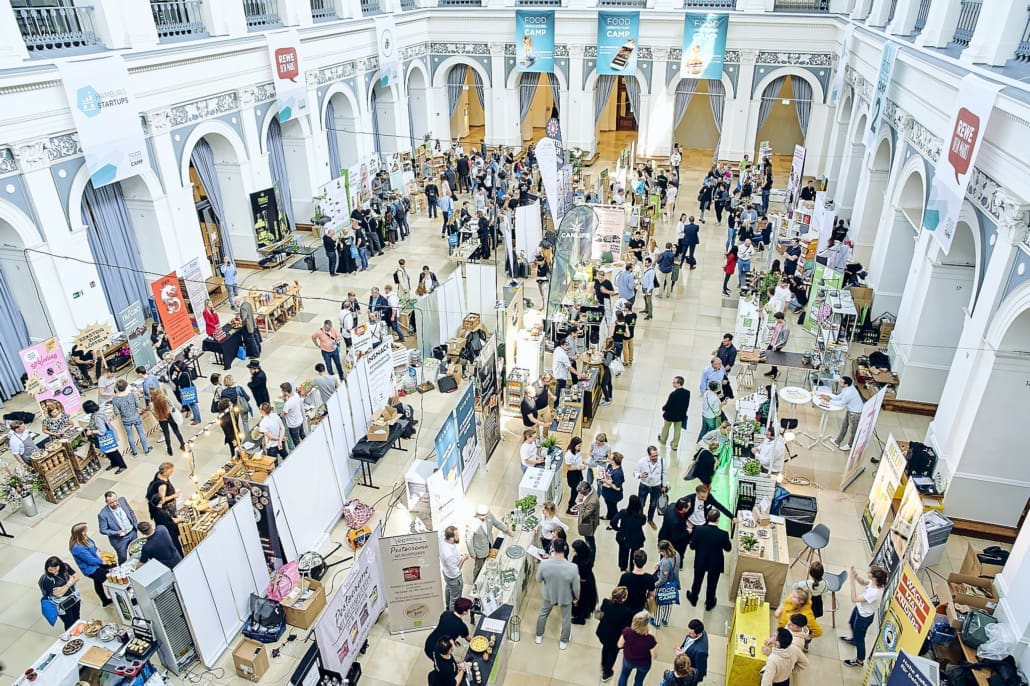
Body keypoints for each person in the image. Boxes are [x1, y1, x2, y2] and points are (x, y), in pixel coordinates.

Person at [534, 539, 580, 650]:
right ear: (565, 548)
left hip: (549, 593)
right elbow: (576, 587)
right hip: (565, 596)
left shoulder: (544, 564)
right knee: (566, 619)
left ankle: (539, 636)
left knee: (543, 614)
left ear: (553, 549)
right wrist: (576, 597)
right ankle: (563, 641)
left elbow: (538, 579)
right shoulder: (572, 567)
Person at [842, 565, 888, 668]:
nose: (867, 573)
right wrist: (856, 576)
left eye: (869, 572)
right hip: (860, 610)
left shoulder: (875, 592)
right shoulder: (875, 582)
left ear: (874, 577)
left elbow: (854, 599)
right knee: (852, 624)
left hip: (864, 618)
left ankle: (859, 660)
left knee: (860, 639)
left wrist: (852, 582)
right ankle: (854, 639)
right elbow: (863, 582)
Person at [687, 509, 732, 611]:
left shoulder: (698, 530)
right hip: (715, 563)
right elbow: (728, 548)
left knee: (697, 580)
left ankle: (693, 598)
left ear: (707, 517)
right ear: (718, 520)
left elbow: (692, 546)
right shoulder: (723, 534)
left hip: (701, 560)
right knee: (712, 584)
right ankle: (709, 602)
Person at [69, 523, 113, 606]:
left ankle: (104, 601)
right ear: (82, 532)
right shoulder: (77, 548)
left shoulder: (84, 538)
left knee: (97, 582)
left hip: (96, 563)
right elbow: (90, 560)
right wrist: (102, 561)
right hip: (92, 570)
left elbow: (93, 547)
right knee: (109, 580)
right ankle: (111, 598)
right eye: (85, 529)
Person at [596, 587, 634, 682]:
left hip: (604, 632)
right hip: (616, 637)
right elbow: (627, 627)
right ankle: (607, 672)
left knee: (605, 648)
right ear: (624, 599)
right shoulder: (627, 612)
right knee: (613, 653)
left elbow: (601, 615)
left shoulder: (606, 602)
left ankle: (604, 664)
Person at [466, 504, 513, 579]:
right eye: (484, 515)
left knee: (489, 564)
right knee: (479, 569)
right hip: (479, 551)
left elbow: (496, 523)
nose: (487, 516)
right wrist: (472, 553)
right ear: (478, 515)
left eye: (487, 514)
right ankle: (476, 582)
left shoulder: (489, 515)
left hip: (489, 545)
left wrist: (506, 530)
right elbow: (469, 540)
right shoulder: (472, 524)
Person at [82, 400, 127, 474]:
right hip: (109, 435)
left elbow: (102, 431)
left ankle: (122, 466)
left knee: (113, 452)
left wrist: (92, 432)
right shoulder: (98, 412)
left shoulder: (97, 418)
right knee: (108, 452)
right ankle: (114, 463)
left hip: (106, 437)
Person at [39, 556, 81, 630]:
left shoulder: (65, 567)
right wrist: (69, 583)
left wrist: (63, 587)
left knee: (77, 618)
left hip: (74, 599)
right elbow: (58, 594)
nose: (53, 572)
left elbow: (77, 577)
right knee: (69, 623)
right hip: (62, 604)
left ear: (59, 565)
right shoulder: (47, 580)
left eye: (55, 569)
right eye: (50, 570)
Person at [617, 610, 658, 686]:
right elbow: (654, 656)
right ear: (646, 624)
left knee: (624, 676)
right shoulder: (650, 639)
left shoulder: (627, 631)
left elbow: (619, 645)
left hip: (628, 659)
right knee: (639, 681)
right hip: (644, 664)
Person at [111, 379, 151, 456]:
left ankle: (135, 452)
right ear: (126, 386)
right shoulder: (132, 395)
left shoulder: (115, 399)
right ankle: (146, 450)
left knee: (129, 435)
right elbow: (139, 405)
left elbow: (116, 412)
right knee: (141, 433)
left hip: (126, 419)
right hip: (136, 416)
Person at [824, 376, 864, 451]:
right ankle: (837, 441)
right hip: (850, 410)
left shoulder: (849, 393)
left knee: (853, 431)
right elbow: (839, 397)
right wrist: (830, 397)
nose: (839, 382)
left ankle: (850, 445)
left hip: (855, 413)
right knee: (844, 425)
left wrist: (829, 401)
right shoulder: (847, 388)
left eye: (841, 382)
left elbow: (841, 403)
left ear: (846, 384)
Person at [97, 491, 138, 564]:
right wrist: (117, 532)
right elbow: (103, 530)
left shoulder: (122, 500)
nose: (115, 504)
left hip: (132, 532)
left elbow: (131, 512)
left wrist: (135, 523)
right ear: (106, 502)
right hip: (119, 540)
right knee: (123, 558)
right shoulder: (103, 514)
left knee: (136, 552)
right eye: (111, 503)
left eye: (115, 501)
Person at [611, 495, 647, 574]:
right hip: (636, 537)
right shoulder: (641, 516)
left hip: (624, 536)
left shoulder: (623, 513)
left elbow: (613, 521)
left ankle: (623, 567)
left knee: (623, 551)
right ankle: (632, 567)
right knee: (634, 553)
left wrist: (618, 529)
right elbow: (643, 523)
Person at [634, 446, 668, 526]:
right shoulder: (642, 461)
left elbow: (664, 473)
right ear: (649, 455)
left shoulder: (662, 461)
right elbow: (635, 473)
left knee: (653, 504)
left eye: (656, 455)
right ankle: (640, 519)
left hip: (656, 486)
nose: (655, 457)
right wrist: (640, 475)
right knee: (641, 504)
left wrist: (664, 485)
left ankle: (650, 519)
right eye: (653, 456)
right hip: (644, 485)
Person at [652, 540, 681, 628]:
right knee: (669, 602)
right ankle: (665, 620)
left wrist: (653, 585)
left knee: (659, 603)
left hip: (664, 585)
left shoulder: (665, 561)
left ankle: (657, 622)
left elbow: (662, 580)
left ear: (664, 551)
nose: (659, 552)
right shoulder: (677, 554)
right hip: (673, 583)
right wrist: (659, 564)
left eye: (660, 551)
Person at [618, 550, 656, 614]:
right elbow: (651, 595)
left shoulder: (625, 577)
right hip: (640, 605)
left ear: (633, 561)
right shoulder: (650, 578)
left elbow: (619, 591)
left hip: (626, 605)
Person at [149, 388, 185, 456]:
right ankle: (182, 444)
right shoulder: (164, 398)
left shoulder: (151, 404)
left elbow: (154, 413)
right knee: (176, 431)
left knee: (166, 434)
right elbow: (171, 403)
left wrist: (158, 417)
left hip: (161, 419)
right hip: (169, 415)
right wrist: (169, 409)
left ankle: (169, 450)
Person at [658, 376, 690, 450]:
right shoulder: (687, 393)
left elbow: (668, 405)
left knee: (666, 428)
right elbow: (686, 404)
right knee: (677, 430)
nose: (673, 383)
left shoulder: (673, 394)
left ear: (679, 384)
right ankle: (674, 445)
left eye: (674, 382)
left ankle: (663, 440)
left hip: (670, 415)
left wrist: (664, 408)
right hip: (680, 415)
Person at [440, 526, 468, 612]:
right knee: (455, 599)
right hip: (454, 578)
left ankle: (448, 609)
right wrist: (463, 559)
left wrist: (459, 556)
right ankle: (452, 616)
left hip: (446, 573)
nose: (458, 537)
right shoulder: (449, 554)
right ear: (451, 539)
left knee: (449, 589)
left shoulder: (443, 540)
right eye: (457, 536)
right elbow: (455, 572)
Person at [571, 539, 598, 625]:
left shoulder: (578, 561)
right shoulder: (589, 555)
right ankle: (584, 614)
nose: (573, 551)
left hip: (582, 582)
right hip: (589, 580)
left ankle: (580, 619)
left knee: (581, 600)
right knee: (586, 600)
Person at [171, 359, 201, 425]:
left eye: (176, 367)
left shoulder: (184, 374)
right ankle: (196, 417)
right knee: (193, 405)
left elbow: (182, 384)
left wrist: (175, 379)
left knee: (193, 405)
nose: (175, 368)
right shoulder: (184, 371)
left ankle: (197, 419)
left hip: (188, 390)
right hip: (189, 389)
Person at [563, 437, 587, 514]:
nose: (580, 447)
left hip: (578, 473)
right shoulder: (568, 455)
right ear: (574, 445)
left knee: (577, 489)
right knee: (574, 492)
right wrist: (578, 467)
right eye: (579, 446)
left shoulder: (577, 451)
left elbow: (578, 459)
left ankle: (573, 503)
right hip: (573, 475)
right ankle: (570, 507)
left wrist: (583, 462)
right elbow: (568, 468)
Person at [764, 311, 790, 380]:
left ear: (780, 319)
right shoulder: (778, 323)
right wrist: (773, 328)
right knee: (769, 355)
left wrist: (776, 346)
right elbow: (777, 330)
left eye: (776, 319)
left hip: (777, 345)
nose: (776, 320)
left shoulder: (786, 328)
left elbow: (784, 340)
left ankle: (775, 371)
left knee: (773, 358)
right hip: (772, 342)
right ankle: (773, 370)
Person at [576, 481, 600, 555]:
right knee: (588, 540)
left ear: (587, 491)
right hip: (590, 519)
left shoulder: (592, 502)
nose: (580, 495)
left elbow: (583, 516)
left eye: (581, 493)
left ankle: (591, 555)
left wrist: (580, 502)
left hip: (589, 524)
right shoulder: (591, 488)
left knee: (590, 541)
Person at [600, 452, 626, 521]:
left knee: (613, 508)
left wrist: (608, 483)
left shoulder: (618, 473)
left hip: (613, 495)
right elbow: (607, 473)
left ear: (614, 461)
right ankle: (608, 516)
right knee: (609, 506)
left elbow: (617, 488)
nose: (608, 459)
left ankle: (614, 522)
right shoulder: (610, 466)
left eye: (610, 458)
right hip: (607, 493)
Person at [551, 337, 578, 402]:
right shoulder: (563, 355)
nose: (568, 347)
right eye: (566, 345)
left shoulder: (558, 349)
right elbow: (570, 368)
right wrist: (579, 375)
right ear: (562, 345)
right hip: (561, 377)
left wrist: (571, 357)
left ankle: (557, 404)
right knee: (559, 393)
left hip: (556, 374)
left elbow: (563, 359)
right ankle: (557, 406)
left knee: (558, 391)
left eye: (568, 345)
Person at [281, 382, 306, 448]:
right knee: (303, 435)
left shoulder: (287, 404)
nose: (281, 392)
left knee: (296, 442)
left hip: (293, 425)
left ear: (285, 392)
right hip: (300, 421)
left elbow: (283, 414)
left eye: (282, 391)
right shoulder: (296, 395)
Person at [716, 334, 737, 400]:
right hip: (717, 366)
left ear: (730, 341)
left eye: (725, 341)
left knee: (723, 382)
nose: (723, 342)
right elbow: (719, 350)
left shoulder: (733, 351)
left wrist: (722, 371)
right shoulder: (722, 344)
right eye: (723, 340)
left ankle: (726, 395)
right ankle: (729, 394)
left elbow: (730, 364)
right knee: (723, 382)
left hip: (723, 369)